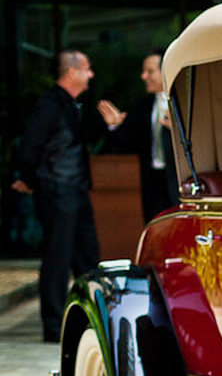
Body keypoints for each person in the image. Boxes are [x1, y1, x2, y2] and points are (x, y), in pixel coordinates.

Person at [12, 50, 101, 343]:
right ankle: (53, 325)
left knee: (87, 256)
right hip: (58, 191)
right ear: (72, 72)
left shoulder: (70, 105)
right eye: (87, 69)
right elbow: (30, 148)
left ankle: (92, 317)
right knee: (58, 258)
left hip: (75, 190)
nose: (91, 75)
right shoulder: (49, 105)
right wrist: (29, 180)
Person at [98, 52, 178, 223]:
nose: (144, 77)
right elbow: (126, 144)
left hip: (179, 182)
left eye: (149, 71)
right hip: (153, 182)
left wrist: (179, 130)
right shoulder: (143, 106)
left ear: (165, 71)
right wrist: (115, 126)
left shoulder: (184, 101)